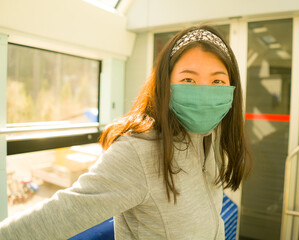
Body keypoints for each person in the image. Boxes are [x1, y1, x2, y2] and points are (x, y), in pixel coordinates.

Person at [0, 25, 252, 239]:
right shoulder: (139, 151)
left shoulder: (212, 135)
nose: (204, 94)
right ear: (166, 84)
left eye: (217, 81)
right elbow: (62, 213)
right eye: (188, 80)